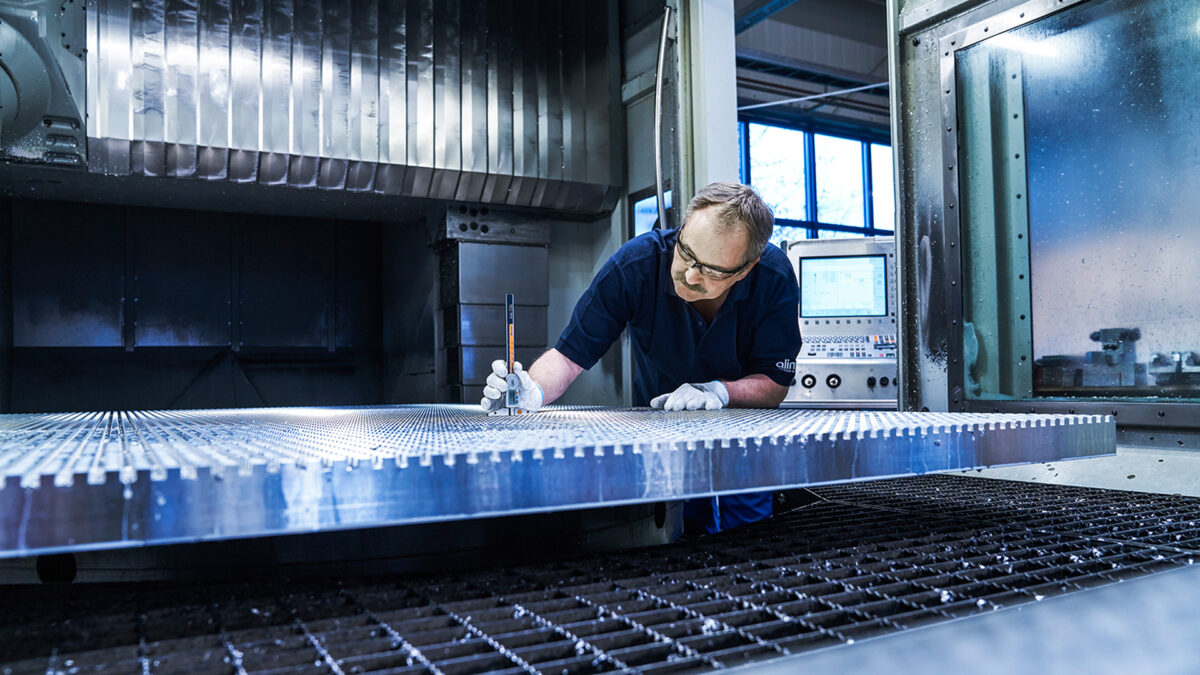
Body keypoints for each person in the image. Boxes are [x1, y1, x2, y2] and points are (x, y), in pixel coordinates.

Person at [481, 181, 802, 534]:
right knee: (680, 533)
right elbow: (568, 357)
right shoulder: (636, 265)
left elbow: (774, 384)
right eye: (686, 252)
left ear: (745, 269)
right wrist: (532, 390)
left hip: (745, 440)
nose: (689, 275)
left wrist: (719, 392)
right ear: (682, 228)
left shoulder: (773, 277)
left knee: (747, 538)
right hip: (664, 435)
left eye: (711, 271)